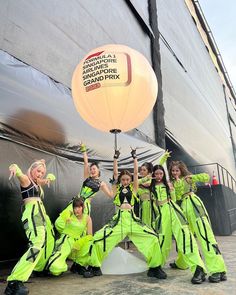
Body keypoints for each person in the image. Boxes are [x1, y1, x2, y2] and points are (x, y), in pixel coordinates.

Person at [83, 148, 166, 280]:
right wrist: (115, 158)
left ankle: (155, 268)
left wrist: (134, 158)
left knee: (153, 238)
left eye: (128, 179)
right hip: (119, 221)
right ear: (121, 180)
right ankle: (94, 267)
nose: (126, 181)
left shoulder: (134, 188)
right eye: (124, 179)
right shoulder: (116, 188)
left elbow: (135, 171)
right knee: (98, 238)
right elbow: (115, 173)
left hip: (133, 220)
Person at [169, 160, 227, 283]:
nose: (175, 173)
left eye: (177, 170)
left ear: (181, 170)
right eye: (173, 171)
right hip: (183, 208)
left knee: (205, 236)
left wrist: (191, 177)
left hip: (194, 205)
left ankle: (218, 269)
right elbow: (176, 198)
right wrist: (173, 188)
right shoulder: (173, 183)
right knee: (186, 239)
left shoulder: (188, 178)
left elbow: (206, 177)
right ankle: (196, 268)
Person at [5, 160, 56, 295]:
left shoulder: (37, 183)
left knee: (49, 240)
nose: (40, 174)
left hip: (41, 214)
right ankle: (14, 282)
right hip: (33, 214)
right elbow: (19, 173)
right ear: (31, 169)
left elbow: (45, 180)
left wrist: (49, 177)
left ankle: (39, 267)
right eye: (38, 171)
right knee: (37, 243)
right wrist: (14, 166)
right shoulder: (26, 180)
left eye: (42, 172)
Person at [151, 164, 206, 284]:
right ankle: (156, 266)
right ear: (153, 175)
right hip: (162, 215)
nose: (159, 176)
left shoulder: (169, 183)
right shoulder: (150, 185)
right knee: (162, 241)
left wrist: (172, 190)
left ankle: (198, 267)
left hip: (173, 211)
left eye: (161, 173)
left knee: (185, 237)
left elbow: (174, 199)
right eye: (156, 174)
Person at [46, 197, 92, 276]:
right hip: (66, 241)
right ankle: (60, 264)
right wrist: (67, 217)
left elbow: (90, 235)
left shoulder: (87, 218)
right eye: (75, 207)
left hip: (77, 243)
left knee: (90, 245)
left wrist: (80, 243)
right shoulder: (70, 213)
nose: (77, 210)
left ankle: (78, 265)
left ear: (83, 207)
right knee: (55, 269)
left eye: (79, 207)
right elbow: (65, 213)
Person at [137, 162, 154, 228]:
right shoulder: (141, 180)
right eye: (141, 170)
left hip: (148, 203)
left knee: (147, 221)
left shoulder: (150, 179)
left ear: (148, 172)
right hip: (141, 204)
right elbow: (134, 184)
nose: (142, 171)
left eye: (144, 170)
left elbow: (148, 184)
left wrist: (139, 184)